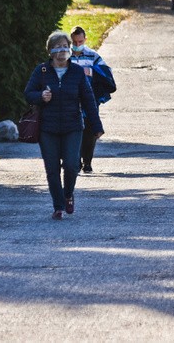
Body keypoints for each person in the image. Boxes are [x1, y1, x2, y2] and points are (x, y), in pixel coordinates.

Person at [24, 31, 104, 220]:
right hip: (48, 128)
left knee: (71, 165)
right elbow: (28, 93)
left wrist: (96, 125)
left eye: (65, 46)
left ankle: (68, 194)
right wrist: (41, 96)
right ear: (50, 51)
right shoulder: (42, 71)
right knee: (52, 169)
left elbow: (88, 99)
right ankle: (58, 206)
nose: (62, 50)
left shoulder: (76, 71)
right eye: (58, 47)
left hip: (72, 126)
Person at [70, 25, 116, 173]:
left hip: (89, 99)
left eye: (80, 42)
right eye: (75, 42)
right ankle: (75, 160)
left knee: (90, 132)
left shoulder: (92, 55)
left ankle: (87, 161)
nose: (77, 45)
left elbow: (105, 73)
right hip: (70, 99)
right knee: (73, 130)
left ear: (85, 40)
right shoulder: (65, 56)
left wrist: (91, 72)